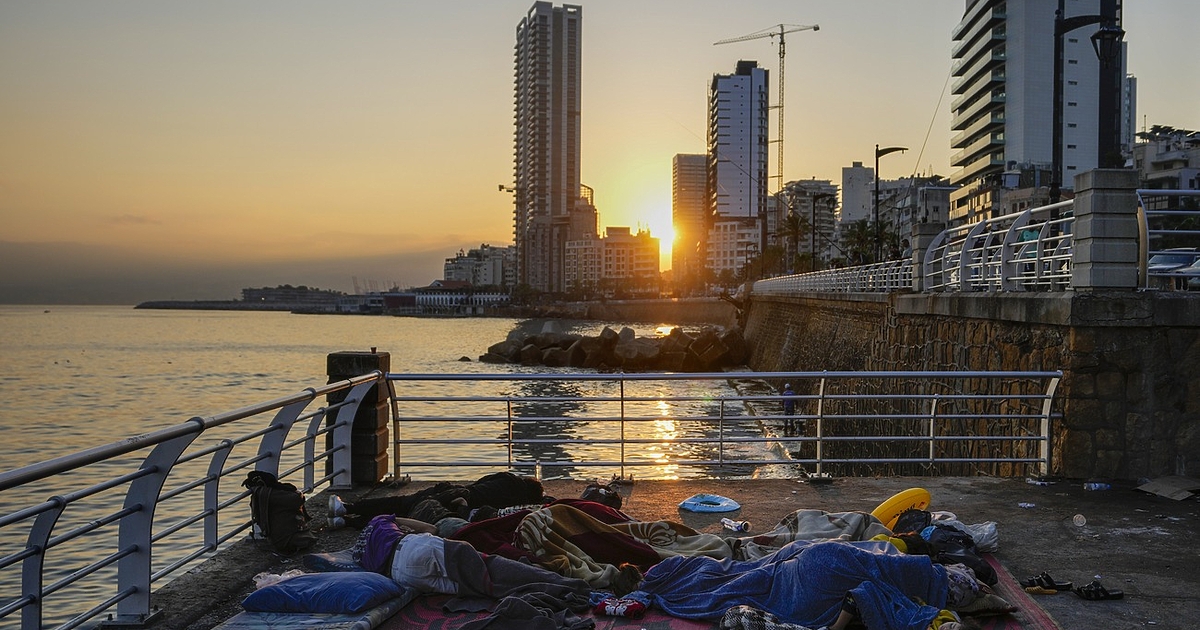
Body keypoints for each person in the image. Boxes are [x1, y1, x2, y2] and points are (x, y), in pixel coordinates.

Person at [636, 539, 978, 630]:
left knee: (754, 572)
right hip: (807, 572)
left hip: (804, 571)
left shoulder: (886, 594)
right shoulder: (890, 596)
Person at [329, 471, 544, 529]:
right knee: (405, 518)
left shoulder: (508, 478)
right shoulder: (514, 504)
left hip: (457, 493)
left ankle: (347, 507)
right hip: (460, 508)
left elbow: (479, 483)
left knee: (401, 503)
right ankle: (347, 522)